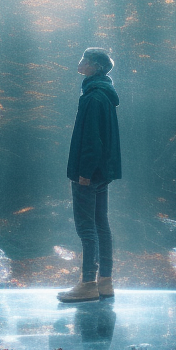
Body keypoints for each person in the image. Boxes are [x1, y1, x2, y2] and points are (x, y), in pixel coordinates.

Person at [58, 48, 121, 303]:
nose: (80, 62)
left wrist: (84, 172)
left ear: (95, 66)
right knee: (101, 225)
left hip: (90, 173)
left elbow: (92, 140)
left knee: (87, 228)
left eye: (84, 59)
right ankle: (105, 281)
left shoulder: (93, 98)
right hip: (102, 172)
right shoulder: (103, 95)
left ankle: (87, 283)